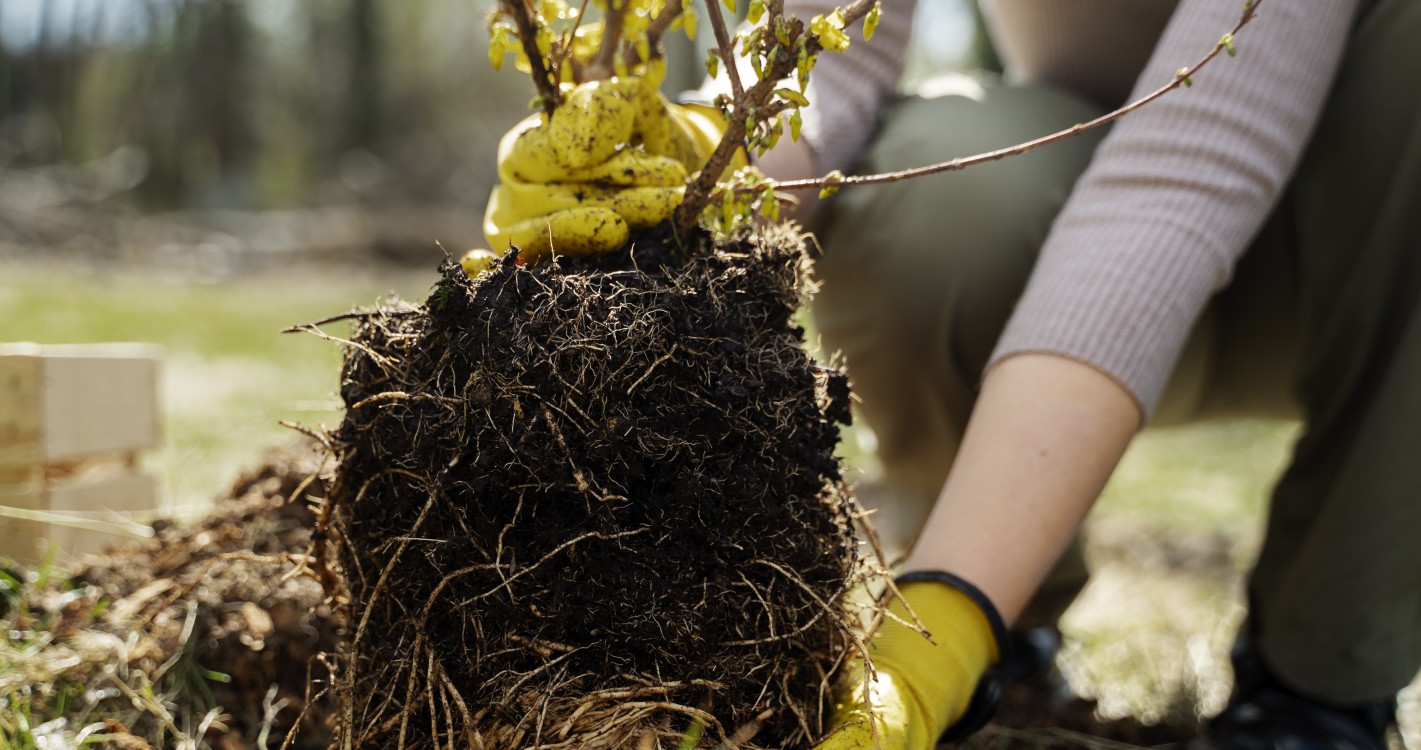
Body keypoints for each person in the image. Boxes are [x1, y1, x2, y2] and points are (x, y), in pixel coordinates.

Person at [483, 0, 1421, 747]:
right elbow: (824, 56)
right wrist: (702, 158)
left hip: (1366, 259)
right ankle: (1012, 620)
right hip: (1084, 192)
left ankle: (1320, 675)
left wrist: (942, 626)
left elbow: (1182, 180)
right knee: (931, 186)